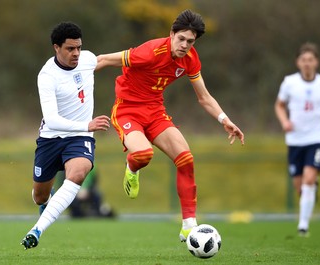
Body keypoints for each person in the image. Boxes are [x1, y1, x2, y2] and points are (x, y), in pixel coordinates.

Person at [96, 9, 245, 242]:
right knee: (144, 155)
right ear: (171, 34)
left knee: (186, 159)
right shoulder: (149, 52)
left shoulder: (191, 59)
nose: (185, 45)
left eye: (191, 41)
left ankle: (188, 226)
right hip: (127, 110)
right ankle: (132, 168)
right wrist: (70, 81)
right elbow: (103, 59)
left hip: (155, 112)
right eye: (181, 39)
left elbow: (204, 97)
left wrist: (225, 120)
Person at [21, 22, 110, 249]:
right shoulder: (47, 76)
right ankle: (46, 201)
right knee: (40, 196)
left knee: (79, 172)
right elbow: (52, 120)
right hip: (51, 138)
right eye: (70, 49)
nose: (76, 53)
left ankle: (37, 229)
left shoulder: (86, 59)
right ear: (56, 48)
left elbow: (107, 59)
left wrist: (151, 54)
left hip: (80, 137)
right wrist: (87, 124)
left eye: (79, 47)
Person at [275, 42, 320, 236]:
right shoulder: (289, 82)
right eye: (303, 60)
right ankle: (311, 192)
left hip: (317, 138)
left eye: (310, 60)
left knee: (309, 179)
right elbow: (279, 105)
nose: (307, 63)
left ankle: (303, 226)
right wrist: (285, 121)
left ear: (317, 62)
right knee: (300, 187)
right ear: (298, 62)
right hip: (295, 140)